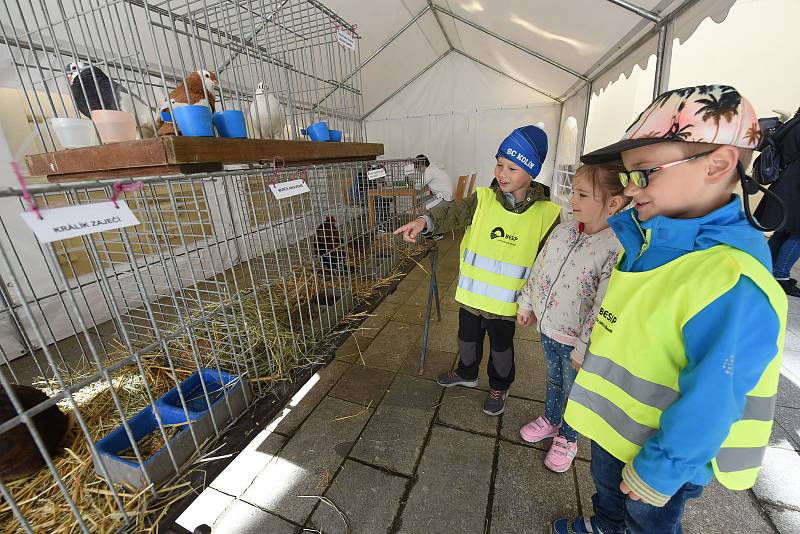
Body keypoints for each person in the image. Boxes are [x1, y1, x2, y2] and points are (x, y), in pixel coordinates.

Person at [551, 85, 786, 534]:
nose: (629, 188)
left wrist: (663, 467)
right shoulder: (650, 240)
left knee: (647, 521)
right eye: (627, 175)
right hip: (613, 429)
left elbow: (717, 394)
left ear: (718, 164)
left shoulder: (731, 279)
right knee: (608, 494)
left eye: (644, 172)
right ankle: (604, 525)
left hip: (662, 458)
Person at [394, 125, 560, 415]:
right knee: (466, 339)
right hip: (471, 297)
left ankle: (499, 385)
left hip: (506, 306)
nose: (502, 174)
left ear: (531, 172)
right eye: (499, 164)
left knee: (501, 349)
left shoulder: (547, 214)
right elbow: (451, 213)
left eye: (512, 168)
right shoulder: (482, 199)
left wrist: (534, 304)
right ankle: (467, 372)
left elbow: (549, 265)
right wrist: (423, 222)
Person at [516, 163, 629, 473]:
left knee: (573, 390)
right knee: (553, 378)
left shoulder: (616, 247)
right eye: (572, 192)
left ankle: (568, 437)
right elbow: (540, 268)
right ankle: (552, 419)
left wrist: (584, 347)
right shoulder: (564, 230)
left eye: (581, 194)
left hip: (577, 340)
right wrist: (527, 304)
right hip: (549, 327)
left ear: (613, 203)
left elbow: (604, 304)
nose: (571, 200)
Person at [754, 108, 800, 297]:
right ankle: (780, 276)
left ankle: (765, 269)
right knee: (797, 235)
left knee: (783, 231)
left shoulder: (792, 124)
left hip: (786, 184)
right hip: (796, 186)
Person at [416, 155, 455, 240]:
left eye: (418, 168)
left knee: (422, 207)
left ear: (421, 166)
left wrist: (412, 185)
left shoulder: (429, 171)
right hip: (445, 196)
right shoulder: (434, 167)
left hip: (444, 198)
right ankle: (428, 227)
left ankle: (435, 232)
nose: (418, 171)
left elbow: (418, 186)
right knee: (420, 201)